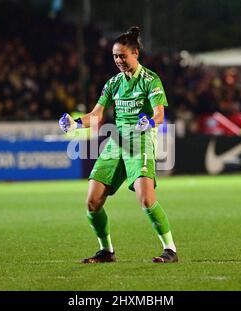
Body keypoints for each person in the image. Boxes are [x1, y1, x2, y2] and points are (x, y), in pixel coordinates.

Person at [58, 26, 178, 263]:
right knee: (92, 201)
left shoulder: (150, 80)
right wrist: (75, 124)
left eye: (123, 55)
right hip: (117, 141)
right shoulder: (113, 83)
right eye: (115, 56)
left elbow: (160, 115)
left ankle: (170, 249)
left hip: (140, 141)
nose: (119, 60)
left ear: (136, 53)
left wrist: (149, 122)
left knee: (146, 199)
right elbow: (96, 115)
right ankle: (106, 251)